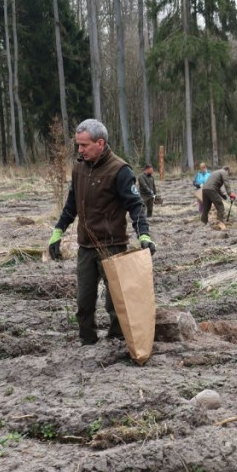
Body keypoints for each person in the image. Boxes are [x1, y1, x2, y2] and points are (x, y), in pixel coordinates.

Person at [48, 119, 155, 346]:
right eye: (78, 145)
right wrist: (58, 231)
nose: (80, 150)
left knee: (116, 300)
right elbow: (71, 206)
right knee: (84, 301)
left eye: (84, 145)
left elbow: (136, 206)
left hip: (112, 246)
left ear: (100, 142)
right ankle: (87, 341)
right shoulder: (79, 168)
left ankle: (117, 340)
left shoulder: (120, 170)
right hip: (86, 246)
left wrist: (143, 235)